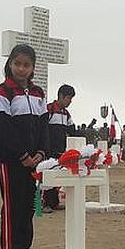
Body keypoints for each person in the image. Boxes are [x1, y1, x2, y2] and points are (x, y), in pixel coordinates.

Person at [0, 44, 48, 249]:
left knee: (28, 207)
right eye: (17, 64)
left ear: (32, 68)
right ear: (10, 64)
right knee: (13, 207)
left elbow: (44, 126)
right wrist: (22, 155)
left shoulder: (38, 92)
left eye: (26, 65)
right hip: (11, 160)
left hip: (35, 162)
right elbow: (4, 128)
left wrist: (41, 153)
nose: (21, 69)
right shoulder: (2, 91)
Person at [43, 84, 76, 212]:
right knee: (47, 176)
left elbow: (72, 130)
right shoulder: (49, 109)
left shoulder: (66, 114)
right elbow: (42, 129)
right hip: (48, 149)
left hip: (61, 151)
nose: (70, 102)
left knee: (58, 176)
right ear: (61, 96)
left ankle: (54, 202)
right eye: (68, 98)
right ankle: (45, 203)